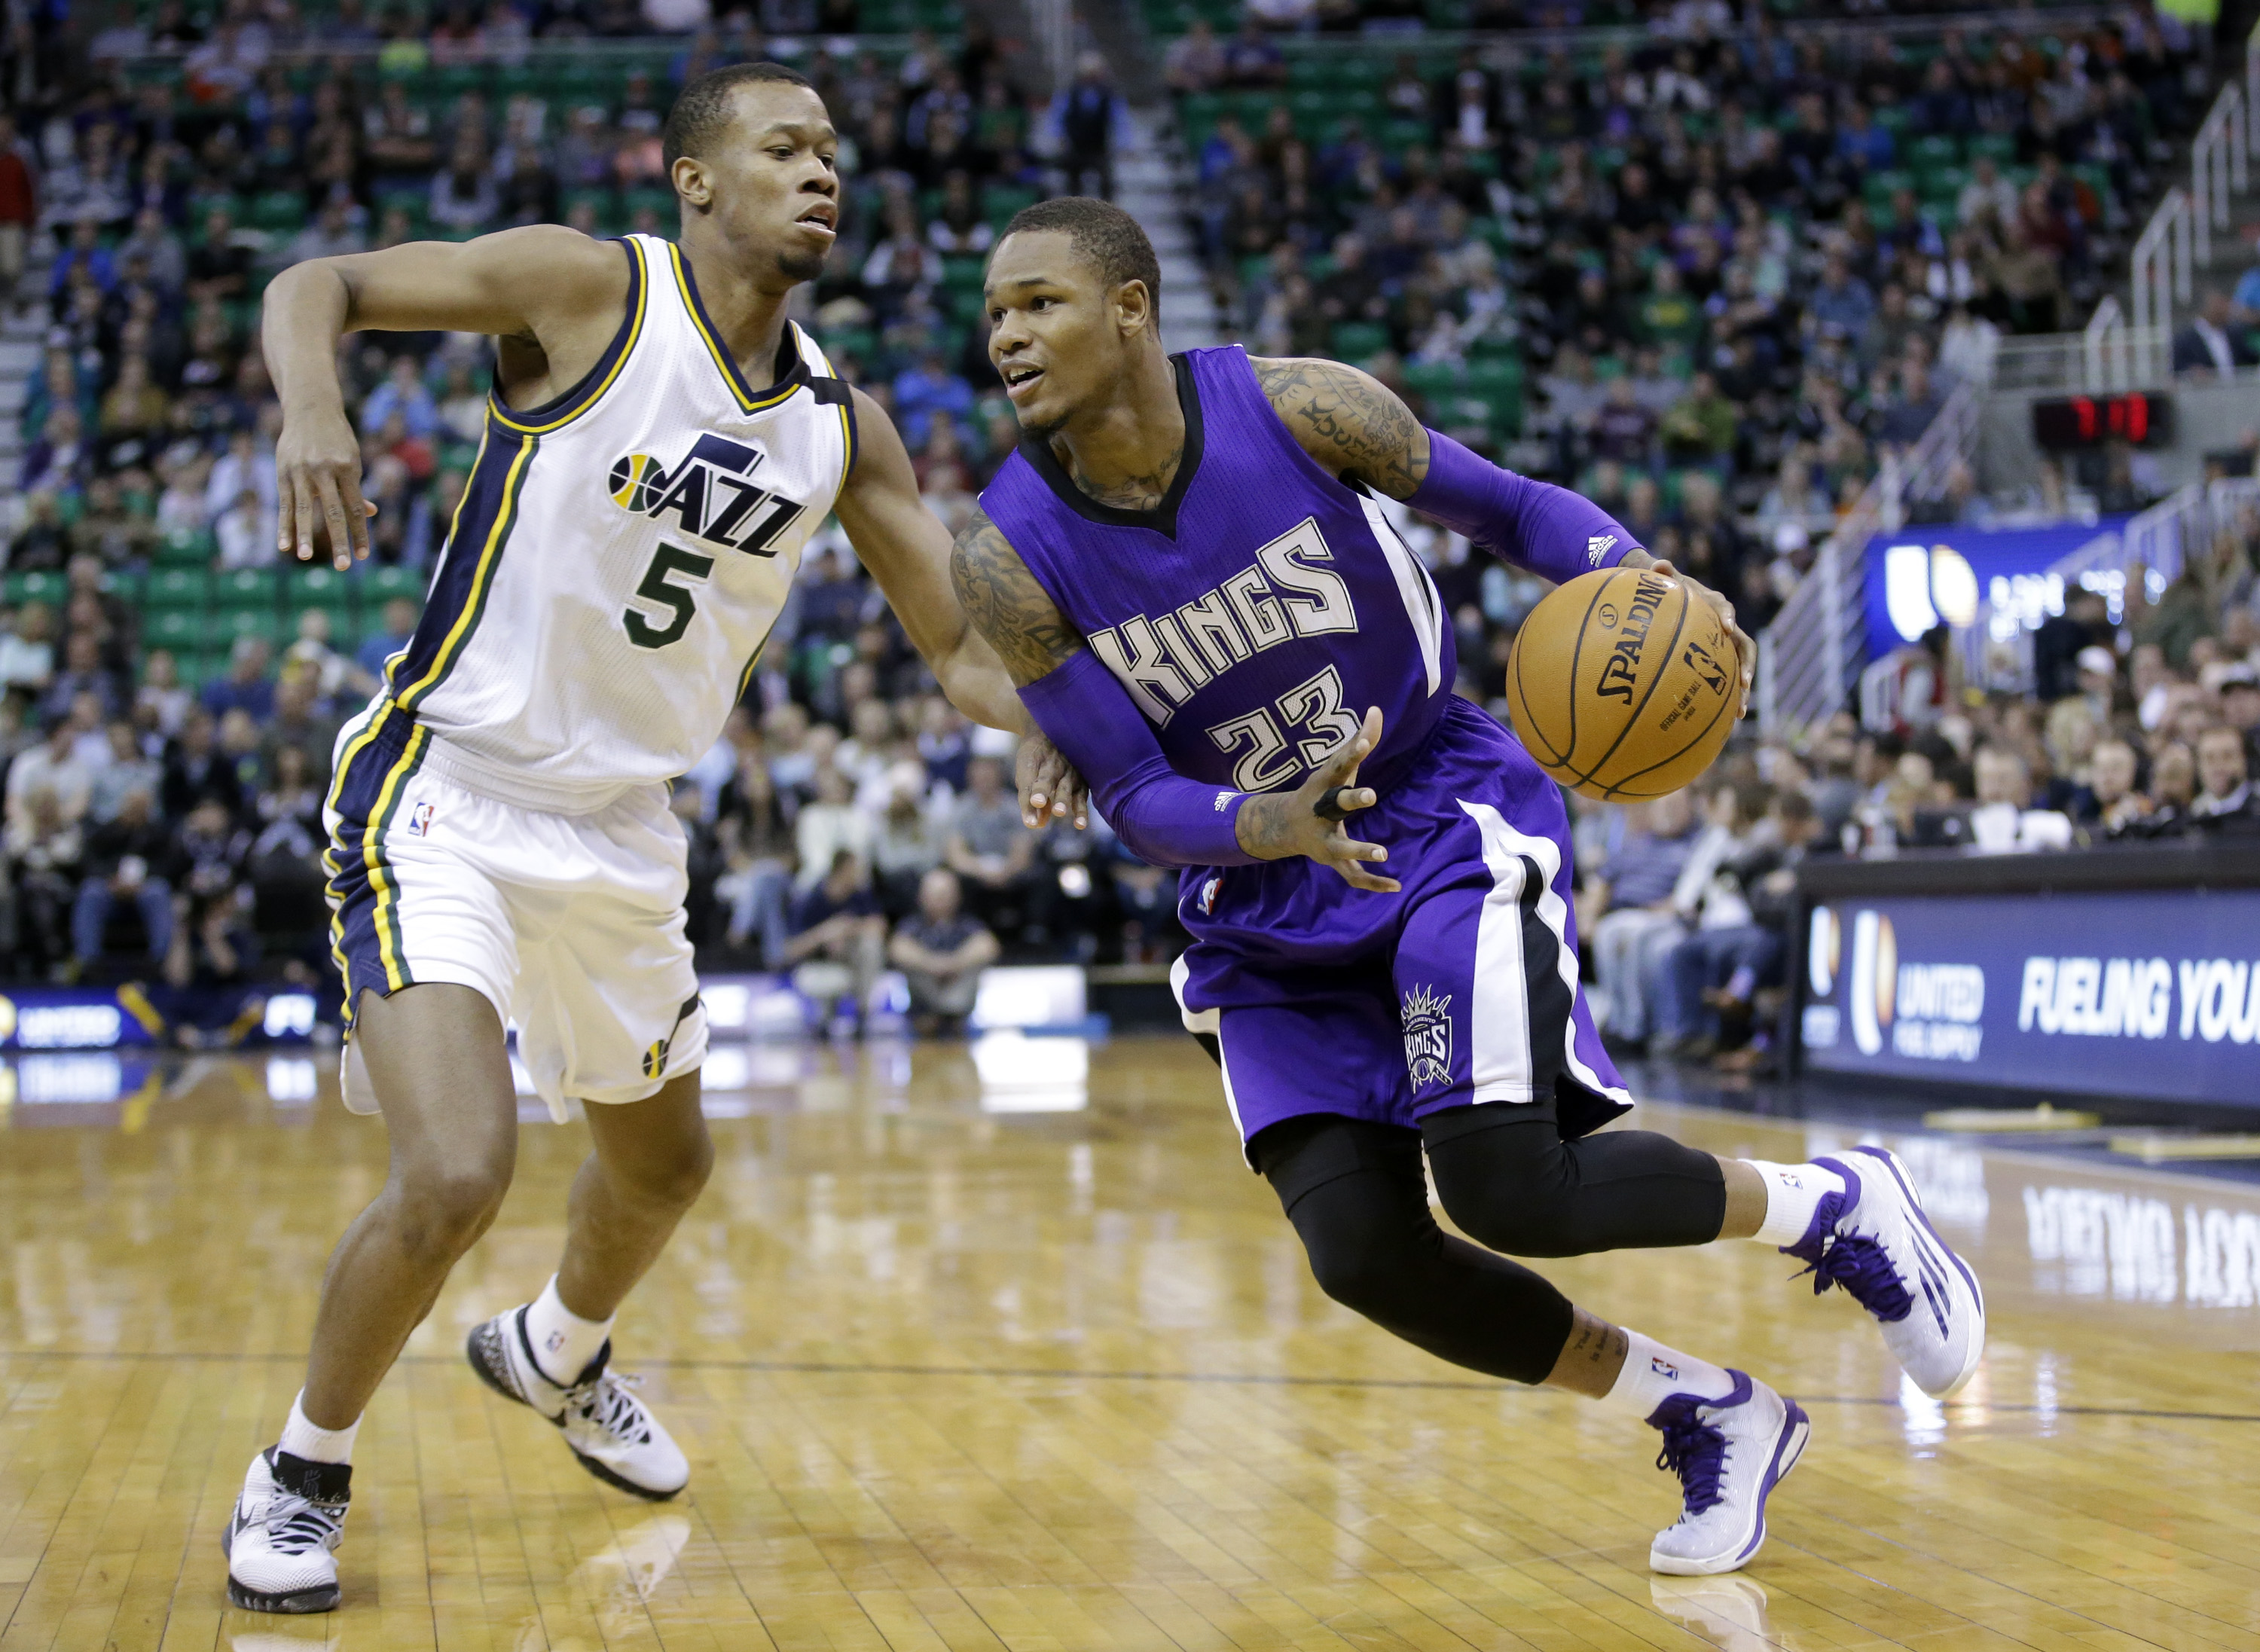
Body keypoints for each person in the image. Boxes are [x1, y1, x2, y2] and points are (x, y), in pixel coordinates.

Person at [951, 197, 1985, 1577]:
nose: (1009, 336)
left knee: (1510, 1187)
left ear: (1131, 307)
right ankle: (1708, 1410)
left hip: (1436, 814)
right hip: (1260, 893)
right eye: (996, 314)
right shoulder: (1006, 552)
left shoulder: (1298, 405)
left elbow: (1510, 509)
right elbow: (1135, 790)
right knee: (1363, 1254)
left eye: (1039, 304)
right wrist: (1267, 820)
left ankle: (1836, 1204)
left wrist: (1642, 577)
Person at [224, 63, 1083, 1616]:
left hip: (622, 826)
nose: (822, 171)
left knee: (667, 1166)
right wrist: (312, 406)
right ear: (695, 180)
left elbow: (960, 650)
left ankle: (555, 1351)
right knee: (458, 1169)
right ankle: (302, 1466)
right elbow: (316, 284)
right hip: (448, 790)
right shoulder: (591, 293)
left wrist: (1066, 721)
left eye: (832, 150)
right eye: (784, 146)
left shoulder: (839, 425)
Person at [889, 865, 998, 1032]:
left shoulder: (967, 925)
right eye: (934, 894)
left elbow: (988, 945)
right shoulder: (912, 926)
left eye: (944, 894)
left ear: (957, 896)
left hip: (957, 987)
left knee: (972, 969)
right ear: (921, 897)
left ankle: (953, 1017)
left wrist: (953, 964)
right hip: (925, 993)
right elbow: (897, 948)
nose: (939, 900)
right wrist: (931, 964)